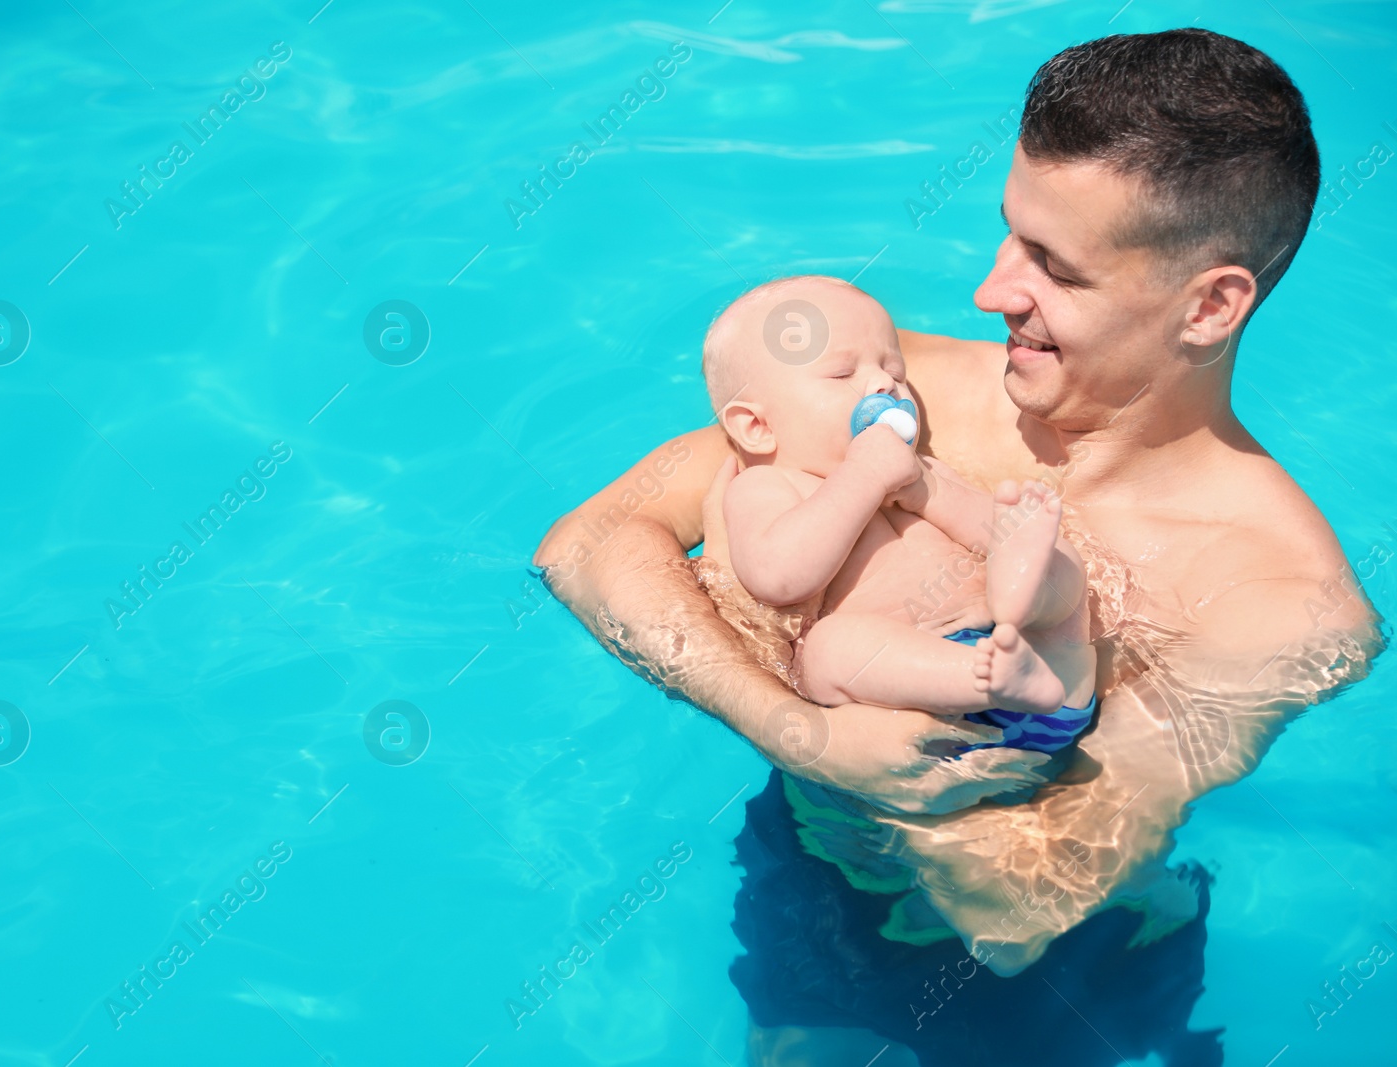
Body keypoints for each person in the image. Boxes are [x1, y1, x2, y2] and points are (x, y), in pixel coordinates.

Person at [535, 27, 1382, 1066]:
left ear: (1208, 304)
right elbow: (589, 541)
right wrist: (797, 727)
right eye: (1009, 236)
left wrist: (820, 652)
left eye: (1052, 268)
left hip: (1070, 978)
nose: (989, 291)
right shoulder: (900, 393)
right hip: (813, 861)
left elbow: (1023, 898)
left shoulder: (1275, 603)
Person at [705, 275, 1096, 746]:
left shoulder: (924, 469)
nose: (883, 384)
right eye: (842, 374)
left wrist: (927, 491)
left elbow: (981, 530)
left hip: (1040, 667)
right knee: (827, 650)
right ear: (757, 427)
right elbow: (778, 577)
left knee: (1059, 559)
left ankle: (1023, 597)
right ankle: (984, 674)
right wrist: (862, 478)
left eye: (895, 370)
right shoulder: (765, 486)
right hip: (925, 691)